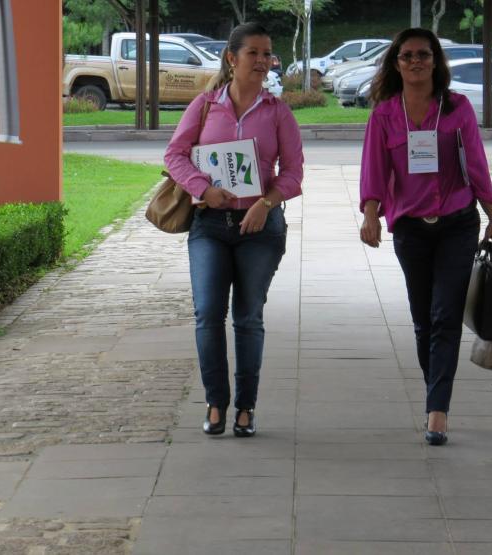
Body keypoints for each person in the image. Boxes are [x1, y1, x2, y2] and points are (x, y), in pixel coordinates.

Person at [358, 28, 492, 446]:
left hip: (458, 222)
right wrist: (370, 214)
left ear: (436, 61)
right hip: (410, 229)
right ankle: (434, 391)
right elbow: (374, 170)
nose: (416, 62)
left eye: (424, 55)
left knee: (444, 316)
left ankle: (438, 410)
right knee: (423, 320)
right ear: (396, 63)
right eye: (407, 56)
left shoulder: (457, 108)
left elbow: (476, 163)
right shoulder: (385, 114)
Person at [164, 22, 303, 437]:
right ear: (232, 58)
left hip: (259, 229)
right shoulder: (206, 105)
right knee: (208, 314)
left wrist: (266, 202)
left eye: (267, 54)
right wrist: (203, 190)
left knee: (248, 318)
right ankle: (214, 403)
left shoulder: (277, 111)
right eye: (253, 54)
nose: (262, 61)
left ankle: (245, 408)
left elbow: (294, 173)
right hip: (210, 225)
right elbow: (175, 155)